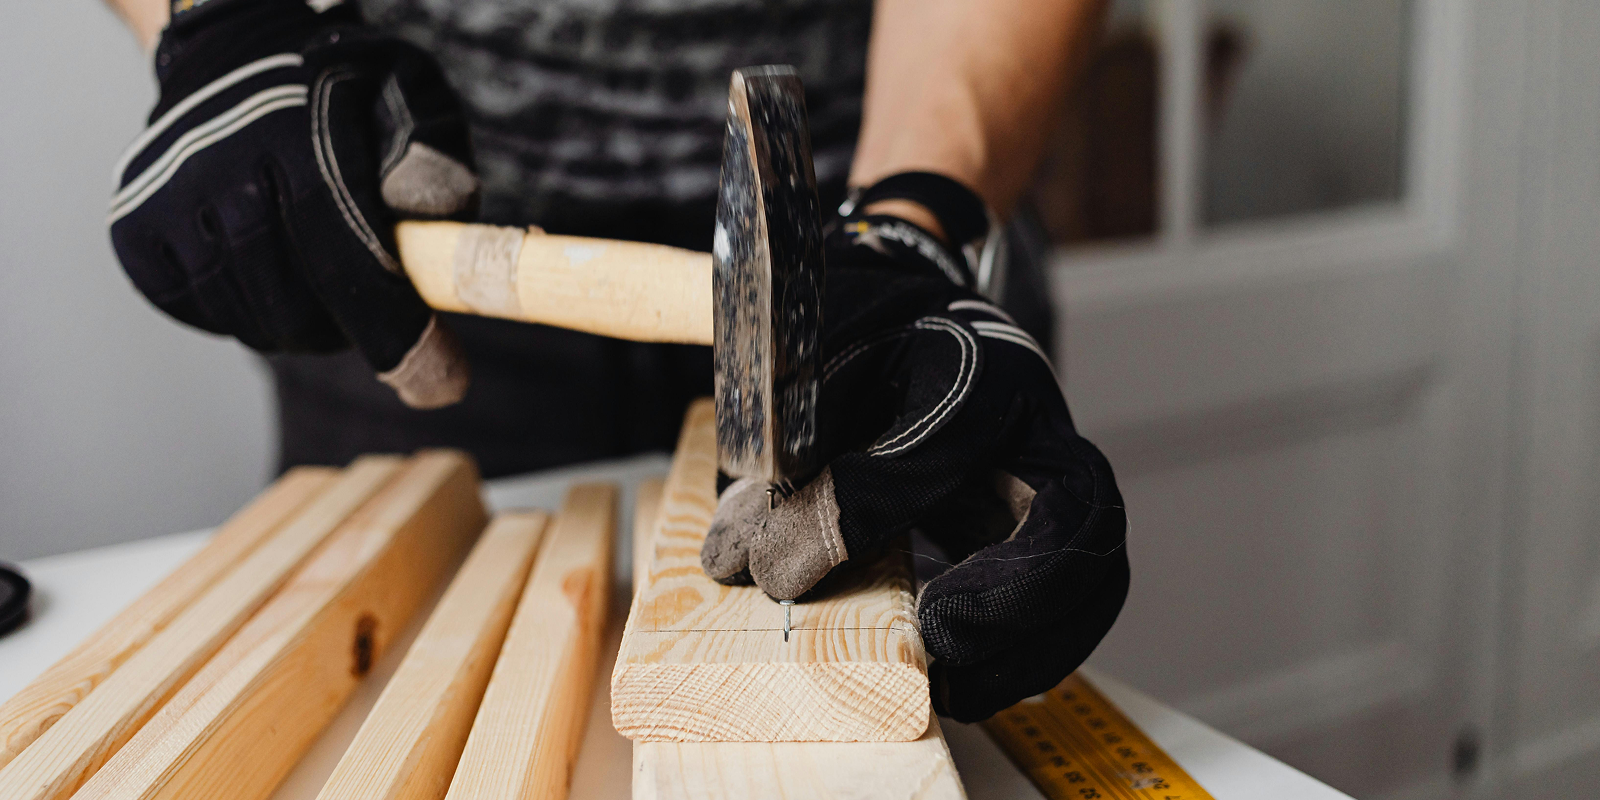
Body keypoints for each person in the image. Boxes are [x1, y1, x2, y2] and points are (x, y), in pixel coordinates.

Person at [100, 0, 1129, 723]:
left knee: (903, 687)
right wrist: (220, 28)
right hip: (417, 215)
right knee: (373, 709)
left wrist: (920, 219)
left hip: (868, 220)